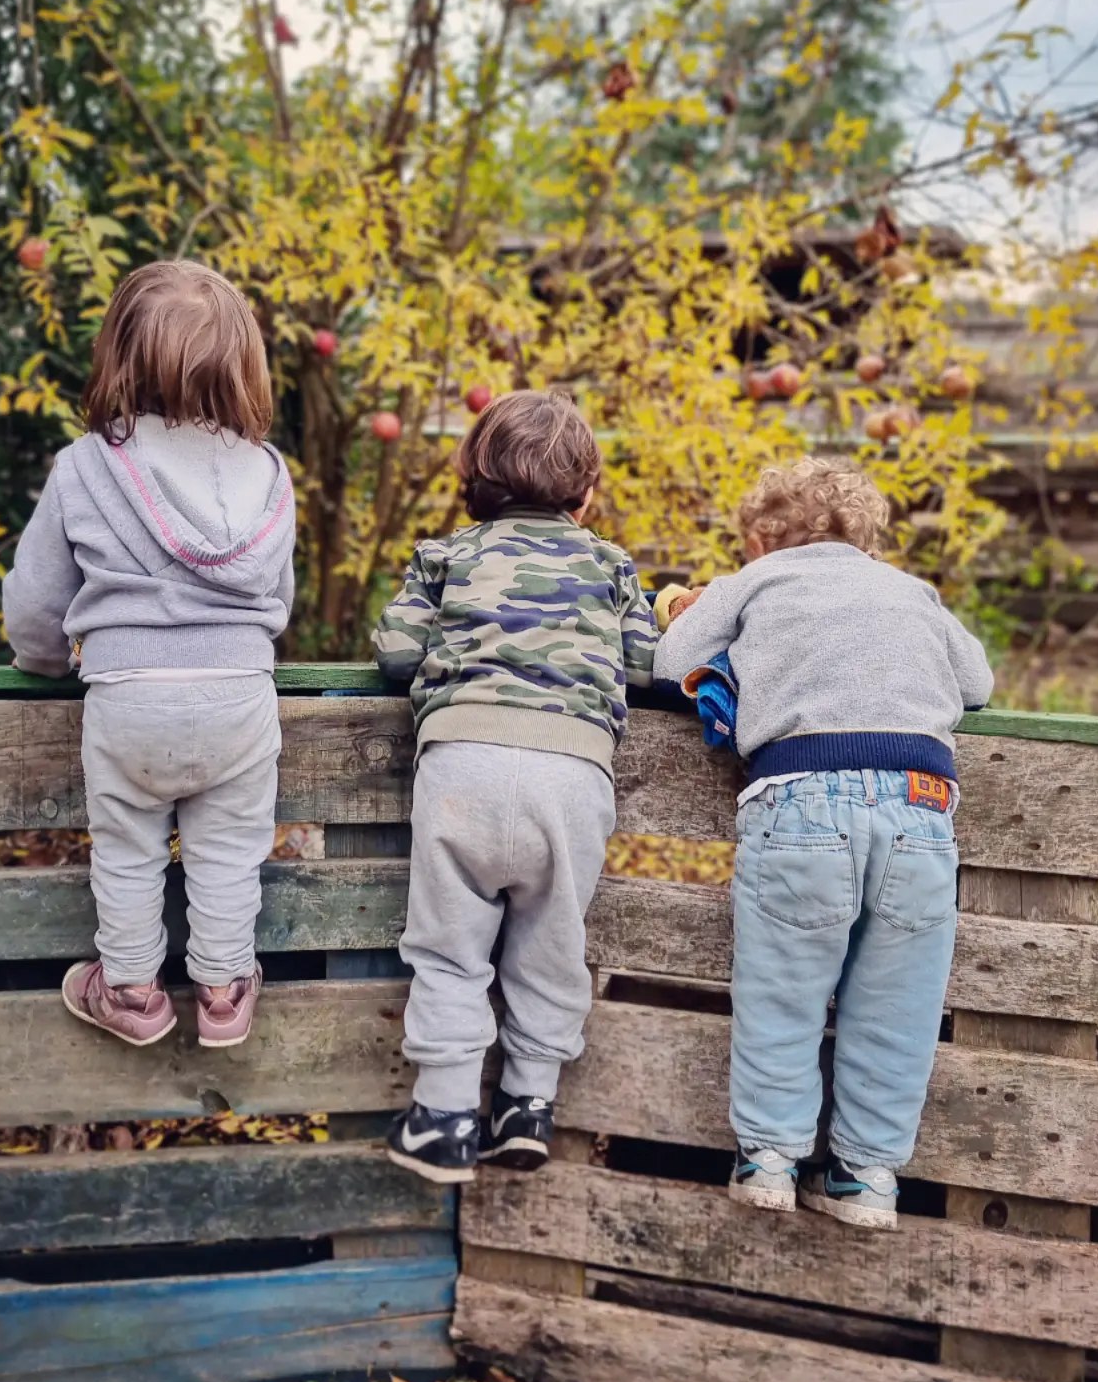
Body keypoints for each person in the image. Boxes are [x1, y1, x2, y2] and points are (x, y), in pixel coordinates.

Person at [654, 457, 993, 1228]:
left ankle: (770, 1158)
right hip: (921, 808)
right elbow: (977, 684)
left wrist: (726, 626)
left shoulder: (759, 581)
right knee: (896, 1004)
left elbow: (670, 660)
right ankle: (865, 1177)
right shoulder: (913, 592)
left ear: (765, 536)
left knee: (782, 990)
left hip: (801, 802)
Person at [3, 260, 295, 1051]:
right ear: (242, 364)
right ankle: (225, 989)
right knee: (230, 850)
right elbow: (281, 603)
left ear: (120, 356)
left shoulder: (85, 467)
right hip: (239, 694)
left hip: (127, 696)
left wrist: (43, 660)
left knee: (128, 848)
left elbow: (35, 609)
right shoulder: (269, 474)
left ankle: (131, 991)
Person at [372, 390, 659, 1182]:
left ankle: (444, 1115)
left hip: (462, 765)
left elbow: (396, 656)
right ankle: (528, 1102)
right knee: (552, 947)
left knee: (449, 949)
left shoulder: (446, 556)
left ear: (473, 478)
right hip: (570, 776)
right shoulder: (611, 566)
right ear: (587, 491)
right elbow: (645, 666)